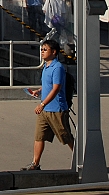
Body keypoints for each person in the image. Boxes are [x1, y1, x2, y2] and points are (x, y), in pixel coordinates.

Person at [24, 39, 73, 170]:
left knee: (66, 137)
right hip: (45, 109)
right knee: (39, 136)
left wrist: (42, 104)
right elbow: (47, 86)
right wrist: (38, 91)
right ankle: (35, 163)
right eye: (41, 50)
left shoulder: (57, 67)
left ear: (54, 52)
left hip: (56, 109)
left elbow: (56, 88)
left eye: (45, 50)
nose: (42, 52)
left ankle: (82, 160)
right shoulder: (46, 66)